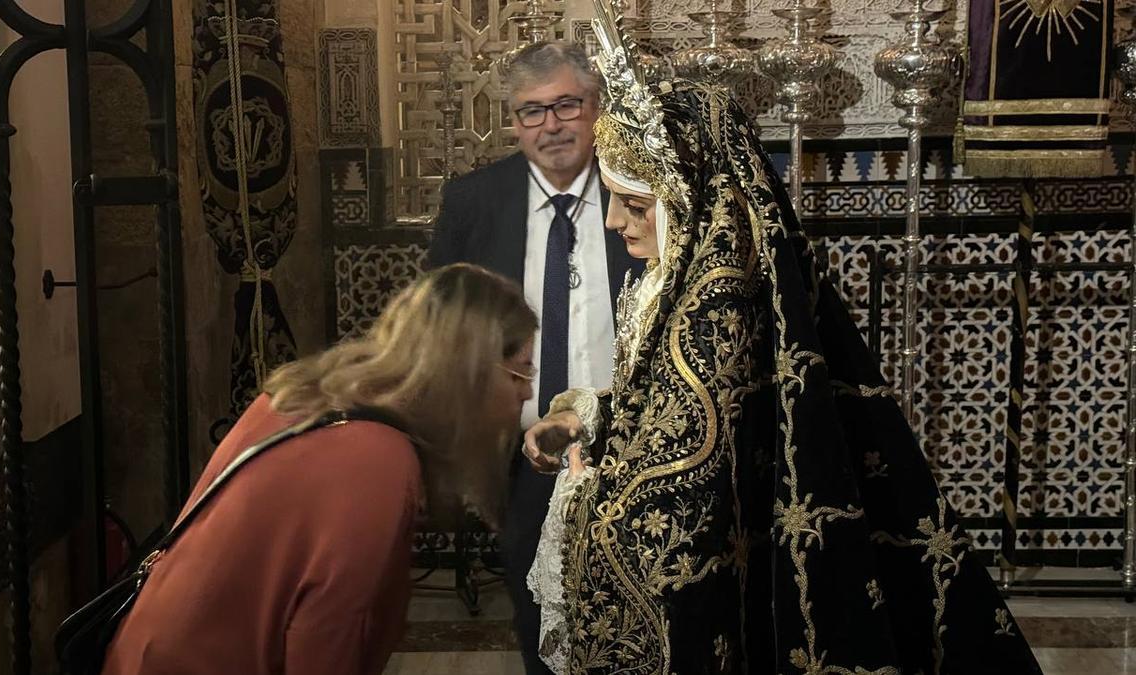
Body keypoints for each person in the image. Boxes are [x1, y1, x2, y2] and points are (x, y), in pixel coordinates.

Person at [521, 5, 1044, 674]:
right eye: (613, 197)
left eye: (637, 202)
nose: (618, 220)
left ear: (686, 200)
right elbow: (651, 407)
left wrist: (587, 493)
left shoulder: (719, 304)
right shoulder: (669, 281)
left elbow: (683, 476)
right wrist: (581, 416)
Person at [100, 264, 538, 675]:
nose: (526, 392)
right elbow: (327, 644)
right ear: (468, 373)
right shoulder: (378, 461)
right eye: (519, 373)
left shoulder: (301, 395)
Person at [427, 40, 640, 674]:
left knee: (633, 603)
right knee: (534, 606)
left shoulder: (640, 193)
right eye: (531, 112)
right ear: (514, 122)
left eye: (566, 106)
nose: (550, 126)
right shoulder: (474, 201)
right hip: (520, 454)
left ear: (596, 109)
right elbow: (438, 316)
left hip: (628, 443)